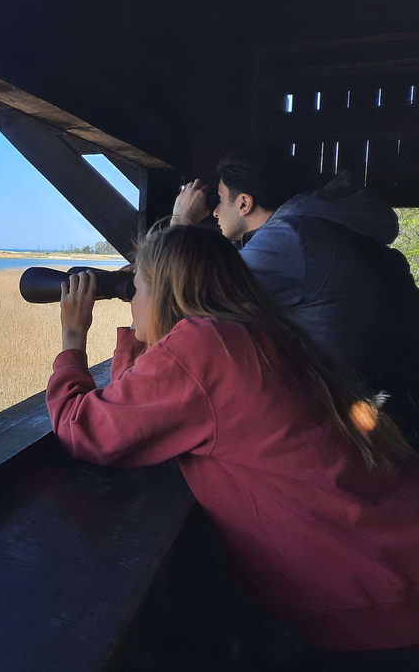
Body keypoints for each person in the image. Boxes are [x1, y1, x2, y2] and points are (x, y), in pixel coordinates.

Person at [46, 225, 419, 669]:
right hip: (393, 564)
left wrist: (73, 339)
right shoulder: (255, 333)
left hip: (377, 602)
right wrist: (139, 332)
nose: (131, 299)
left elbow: (85, 429)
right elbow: (139, 406)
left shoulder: (202, 348)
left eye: (136, 288)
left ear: (165, 292)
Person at [171, 157, 419, 448]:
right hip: (382, 403)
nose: (213, 211)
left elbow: (185, 295)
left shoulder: (290, 239)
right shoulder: (322, 227)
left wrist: (181, 222)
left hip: (350, 425)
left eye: (221, 200)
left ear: (244, 204)